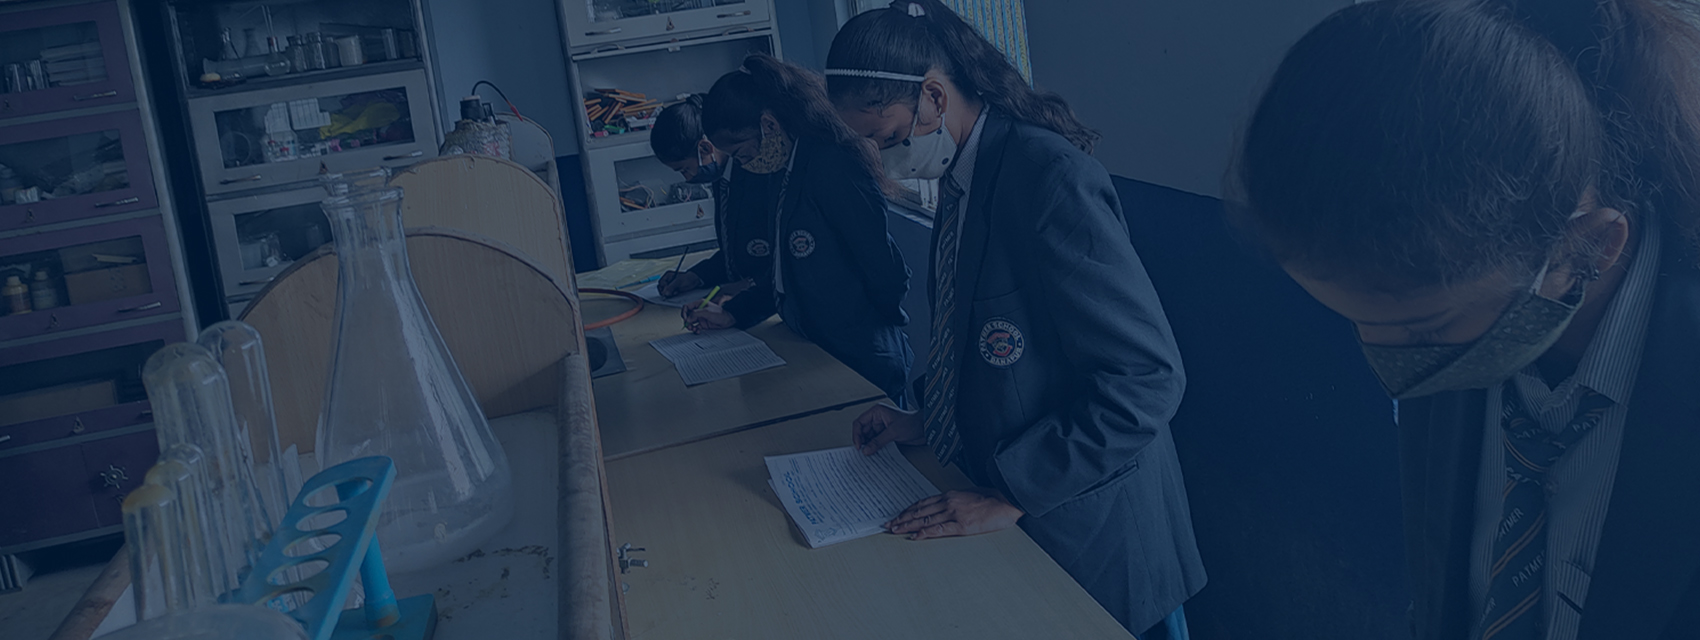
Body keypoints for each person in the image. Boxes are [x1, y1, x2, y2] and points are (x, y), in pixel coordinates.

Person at [1230, 0, 1700, 638]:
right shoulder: (1468, 324)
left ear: (1589, 247)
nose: (1395, 369)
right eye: (1356, 322)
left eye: (1425, 331)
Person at [825, 2, 1205, 637]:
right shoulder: (965, 175)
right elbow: (980, 339)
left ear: (933, 97)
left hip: (1096, 523)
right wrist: (929, 418)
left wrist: (1015, 492)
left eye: (886, 138)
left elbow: (1147, 378)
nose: (883, 157)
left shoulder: (1049, 178)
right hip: (1024, 502)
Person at [687, 53, 916, 408]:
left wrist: (866, 322)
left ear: (769, 125)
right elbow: (785, 270)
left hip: (860, 354)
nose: (742, 164)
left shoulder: (832, 164)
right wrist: (737, 311)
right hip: (815, 346)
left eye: (742, 153)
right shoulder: (783, 168)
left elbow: (883, 268)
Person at [649, 95, 782, 329]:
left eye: (684, 169)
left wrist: (747, 286)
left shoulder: (760, 176)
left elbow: (786, 262)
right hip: (744, 305)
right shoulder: (723, 179)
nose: (687, 178)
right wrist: (696, 276)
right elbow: (735, 253)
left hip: (767, 307)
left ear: (705, 148)